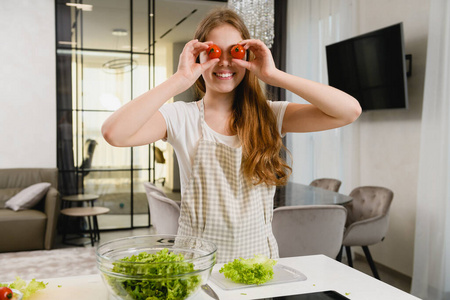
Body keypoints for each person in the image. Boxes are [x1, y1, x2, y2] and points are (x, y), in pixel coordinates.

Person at [102, 8, 361, 263]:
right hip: (197, 264)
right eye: (214, 52)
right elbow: (115, 133)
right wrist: (180, 79)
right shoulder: (181, 117)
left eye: (234, 52)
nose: (225, 62)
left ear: (247, 55)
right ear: (199, 57)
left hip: (257, 263)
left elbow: (349, 111)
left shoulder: (270, 116)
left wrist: (274, 76)